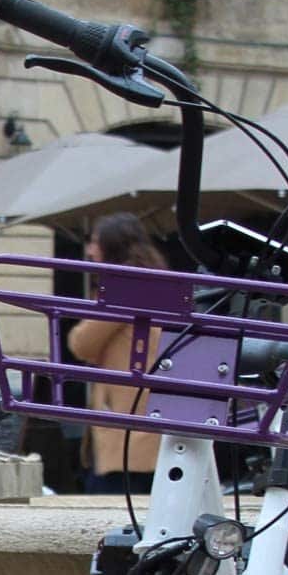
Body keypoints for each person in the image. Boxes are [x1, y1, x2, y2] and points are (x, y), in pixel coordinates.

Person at [69, 211, 166, 493]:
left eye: (96, 242)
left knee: (110, 514)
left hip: (128, 433)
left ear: (112, 247)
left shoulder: (126, 288)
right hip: (151, 421)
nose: (90, 250)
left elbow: (81, 344)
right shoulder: (157, 282)